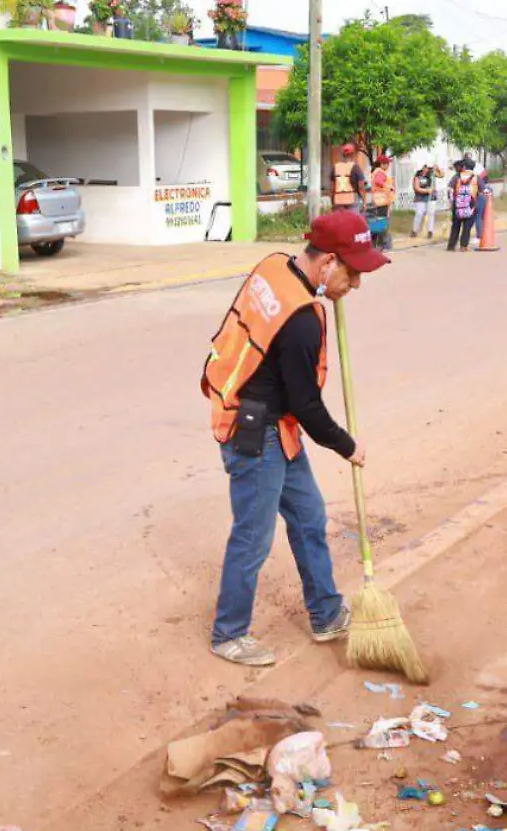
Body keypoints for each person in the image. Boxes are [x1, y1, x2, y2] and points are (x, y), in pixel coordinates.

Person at [199, 211, 389, 667]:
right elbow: (308, 407)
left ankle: (325, 613)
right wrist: (349, 446)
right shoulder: (302, 320)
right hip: (255, 431)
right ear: (326, 263)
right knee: (253, 536)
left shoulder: (275, 266)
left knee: (309, 516)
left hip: (275, 425)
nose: (356, 285)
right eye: (353, 272)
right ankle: (229, 633)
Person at [446, 164, 479, 252]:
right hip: (470, 205)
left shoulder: (457, 176)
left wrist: (451, 202)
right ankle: (463, 246)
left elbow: (449, 189)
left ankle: (451, 246)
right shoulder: (475, 177)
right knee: (467, 227)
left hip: (457, 205)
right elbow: (483, 189)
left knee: (455, 226)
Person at [365, 154, 395, 251]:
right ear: (382, 164)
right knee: (383, 223)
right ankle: (384, 245)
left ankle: (377, 244)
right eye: (387, 164)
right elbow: (379, 181)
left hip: (380, 200)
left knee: (379, 222)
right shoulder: (380, 172)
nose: (388, 166)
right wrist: (389, 188)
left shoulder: (377, 171)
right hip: (382, 201)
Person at [331, 144, 367, 213]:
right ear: (353, 155)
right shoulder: (355, 168)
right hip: (352, 199)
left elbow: (332, 188)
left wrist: (332, 202)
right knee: (353, 221)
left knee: (339, 222)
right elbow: (361, 187)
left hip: (338, 200)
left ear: (342, 155)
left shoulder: (335, 167)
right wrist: (364, 202)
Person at [410, 160, 441, 239]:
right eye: (426, 167)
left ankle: (430, 231)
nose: (427, 169)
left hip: (431, 197)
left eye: (428, 168)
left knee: (431, 213)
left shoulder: (432, 174)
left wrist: (438, 168)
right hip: (420, 197)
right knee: (419, 213)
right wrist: (426, 190)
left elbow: (442, 175)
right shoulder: (418, 175)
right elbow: (416, 188)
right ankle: (415, 230)